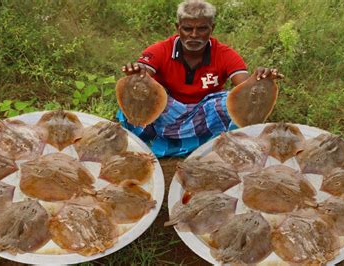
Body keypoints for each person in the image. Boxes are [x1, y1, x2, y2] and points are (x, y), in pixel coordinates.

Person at [117, 0, 279, 158]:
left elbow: (244, 87)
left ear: (212, 28)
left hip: (203, 116)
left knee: (228, 102)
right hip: (167, 112)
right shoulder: (160, 49)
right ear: (178, 28)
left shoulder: (225, 55)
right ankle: (155, 142)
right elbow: (144, 70)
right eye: (187, 28)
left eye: (202, 29)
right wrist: (137, 74)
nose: (194, 35)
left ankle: (218, 146)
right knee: (134, 96)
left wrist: (259, 81)